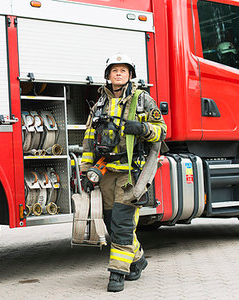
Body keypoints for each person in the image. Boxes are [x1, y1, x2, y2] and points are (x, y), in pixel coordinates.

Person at [80, 53, 167, 292]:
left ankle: (118, 273)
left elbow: (162, 131)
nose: (118, 74)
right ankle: (137, 259)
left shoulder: (142, 100)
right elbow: (88, 140)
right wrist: (86, 171)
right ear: (108, 76)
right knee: (110, 222)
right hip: (106, 172)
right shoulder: (99, 104)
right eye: (114, 70)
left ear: (130, 75)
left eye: (123, 70)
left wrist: (142, 128)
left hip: (131, 174)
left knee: (122, 224)